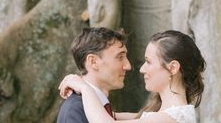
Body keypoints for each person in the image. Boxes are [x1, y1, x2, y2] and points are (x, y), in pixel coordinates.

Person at [58, 30, 205, 123]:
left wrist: (84, 88)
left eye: (148, 62)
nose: (141, 69)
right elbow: (117, 116)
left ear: (172, 68)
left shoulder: (173, 117)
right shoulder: (163, 114)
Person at [56, 27, 132, 123]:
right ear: (93, 62)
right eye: (120, 57)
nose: (128, 66)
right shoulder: (76, 109)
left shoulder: (99, 107)